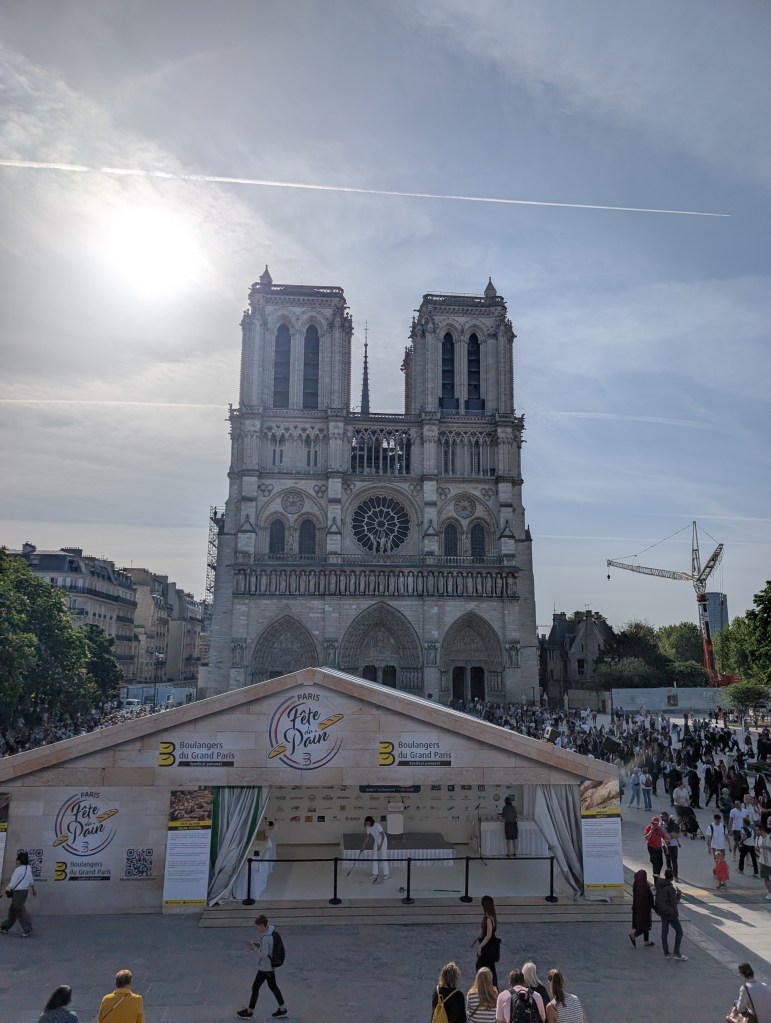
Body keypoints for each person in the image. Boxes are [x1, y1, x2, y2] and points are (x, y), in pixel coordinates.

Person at [237, 916, 287, 1019]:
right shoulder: (272, 932)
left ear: (263, 926)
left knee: (255, 987)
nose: (257, 929)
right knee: (273, 987)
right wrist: (258, 945)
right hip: (271, 966)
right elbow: (269, 949)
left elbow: (264, 955)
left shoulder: (266, 938)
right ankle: (282, 1009)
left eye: (258, 927)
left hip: (265, 968)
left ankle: (249, 1012)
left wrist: (254, 948)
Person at [655, 869, 687, 961]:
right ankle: (676, 952)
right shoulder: (670, 888)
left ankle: (666, 952)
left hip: (662, 912)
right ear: (672, 877)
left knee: (664, 931)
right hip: (671, 913)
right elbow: (674, 903)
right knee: (679, 931)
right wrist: (679, 894)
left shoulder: (659, 885)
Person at [0, 849, 35, 936]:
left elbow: (12, 883)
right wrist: (33, 889)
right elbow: (31, 880)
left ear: (19, 860)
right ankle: (4, 927)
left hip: (18, 893)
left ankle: (28, 929)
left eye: (17, 859)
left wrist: (3, 892)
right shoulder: (29, 868)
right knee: (12, 910)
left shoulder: (18, 870)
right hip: (24, 892)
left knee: (20, 911)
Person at [473, 895, 499, 988]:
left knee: (481, 966)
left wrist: (480, 947)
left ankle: (484, 986)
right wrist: (477, 937)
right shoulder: (491, 916)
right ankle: (493, 986)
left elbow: (488, 935)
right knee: (490, 967)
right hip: (490, 946)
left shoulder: (488, 919)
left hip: (488, 947)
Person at [628, 869, 655, 947]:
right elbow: (649, 897)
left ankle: (647, 941)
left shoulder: (636, 883)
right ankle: (634, 935)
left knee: (645, 924)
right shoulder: (644, 886)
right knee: (644, 926)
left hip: (636, 908)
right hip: (644, 909)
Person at [364, 815, 390, 883]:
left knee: (383, 856)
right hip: (376, 841)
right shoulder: (368, 827)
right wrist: (363, 846)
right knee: (374, 856)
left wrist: (380, 845)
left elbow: (383, 835)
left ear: (371, 821)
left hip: (383, 841)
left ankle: (386, 874)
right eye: (366, 823)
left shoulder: (377, 825)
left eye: (368, 822)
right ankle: (375, 874)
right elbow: (367, 837)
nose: (367, 824)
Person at [757, 824, 771, 902]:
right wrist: (758, 850)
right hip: (763, 861)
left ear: (762, 830)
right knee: (766, 878)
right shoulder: (759, 838)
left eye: (757, 830)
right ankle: (769, 893)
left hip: (770, 861)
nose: (757, 831)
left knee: (767, 878)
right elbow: (759, 850)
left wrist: (766, 847)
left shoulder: (770, 837)